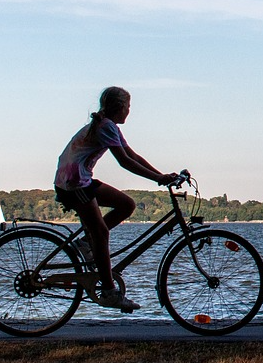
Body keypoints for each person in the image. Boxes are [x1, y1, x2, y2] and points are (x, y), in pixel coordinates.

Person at [53, 87, 178, 312]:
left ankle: (84, 243)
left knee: (127, 204)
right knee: (101, 233)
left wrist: (161, 176)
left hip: (79, 179)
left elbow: (132, 155)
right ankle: (110, 292)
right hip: (73, 183)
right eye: (128, 107)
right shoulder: (105, 126)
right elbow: (125, 162)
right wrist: (158, 178)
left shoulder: (109, 125)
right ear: (120, 107)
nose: (129, 111)